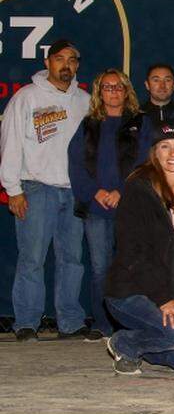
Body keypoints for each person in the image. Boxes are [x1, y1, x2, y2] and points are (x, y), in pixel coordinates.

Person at [1, 39, 91, 341]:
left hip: (73, 192)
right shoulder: (26, 98)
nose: (66, 65)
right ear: (47, 63)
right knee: (32, 258)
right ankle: (27, 322)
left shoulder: (85, 101)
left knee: (72, 260)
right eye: (60, 59)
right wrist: (13, 188)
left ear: (77, 65)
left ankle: (70, 321)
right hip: (36, 187)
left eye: (72, 59)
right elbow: (10, 143)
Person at [103, 120, 174, 375]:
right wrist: (163, 299)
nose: (173, 154)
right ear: (154, 153)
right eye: (165, 146)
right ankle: (125, 343)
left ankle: (148, 337)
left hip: (170, 291)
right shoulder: (138, 189)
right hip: (130, 290)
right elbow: (133, 253)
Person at [67, 69, 151, 340]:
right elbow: (76, 165)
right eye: (107, 87)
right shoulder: (88, 125)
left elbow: (147, 163)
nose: (113, 92)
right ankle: (102, 323)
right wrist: (96, 192)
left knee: (130, 265)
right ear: (99, 92)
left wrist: (122, 191)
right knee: (100, 267)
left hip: (131, 207)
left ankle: (130, 323)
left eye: (118, 87)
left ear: (127, 91)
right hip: (96, 209)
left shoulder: (141, 123)